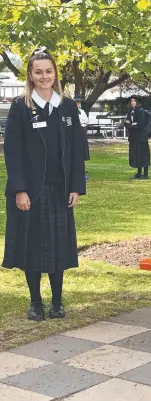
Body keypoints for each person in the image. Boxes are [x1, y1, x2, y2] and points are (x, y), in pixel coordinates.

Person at [2, 47, 86, 321]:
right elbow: (12, 152)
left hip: (60, 190)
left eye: (48, 71)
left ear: (55, 74)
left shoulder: (67, 106)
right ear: (30, 75)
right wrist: (19, 190)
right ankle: (36, 302)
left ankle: (57, 302)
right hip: (30, 192)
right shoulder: (20, 107)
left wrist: (76, 186)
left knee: (58, 246)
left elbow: (77, 150)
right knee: (32, 247)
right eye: (38, 72)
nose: (44, 76)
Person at [125, 95, 150, 179]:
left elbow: (140, 124)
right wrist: (131, 124)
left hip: (141, 137)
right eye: (131, 101)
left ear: (137, 102)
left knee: (143, 155)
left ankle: (145, 174)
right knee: (137, 154)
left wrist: (131, 124)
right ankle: (139, 173)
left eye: (134, 101)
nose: (132, 102)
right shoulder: (130, 111)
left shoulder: (141, 111)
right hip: (134, 136)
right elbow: (126, 122)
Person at [74, 96, 90, 180]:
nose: (78, 104)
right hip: (77, 131)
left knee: (83, 151)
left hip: (83, 131)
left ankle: (83, 171)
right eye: (77, 102)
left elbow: (86, 121)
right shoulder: (71, 111)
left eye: (79, 102)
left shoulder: (82, 111)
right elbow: (76, 121)